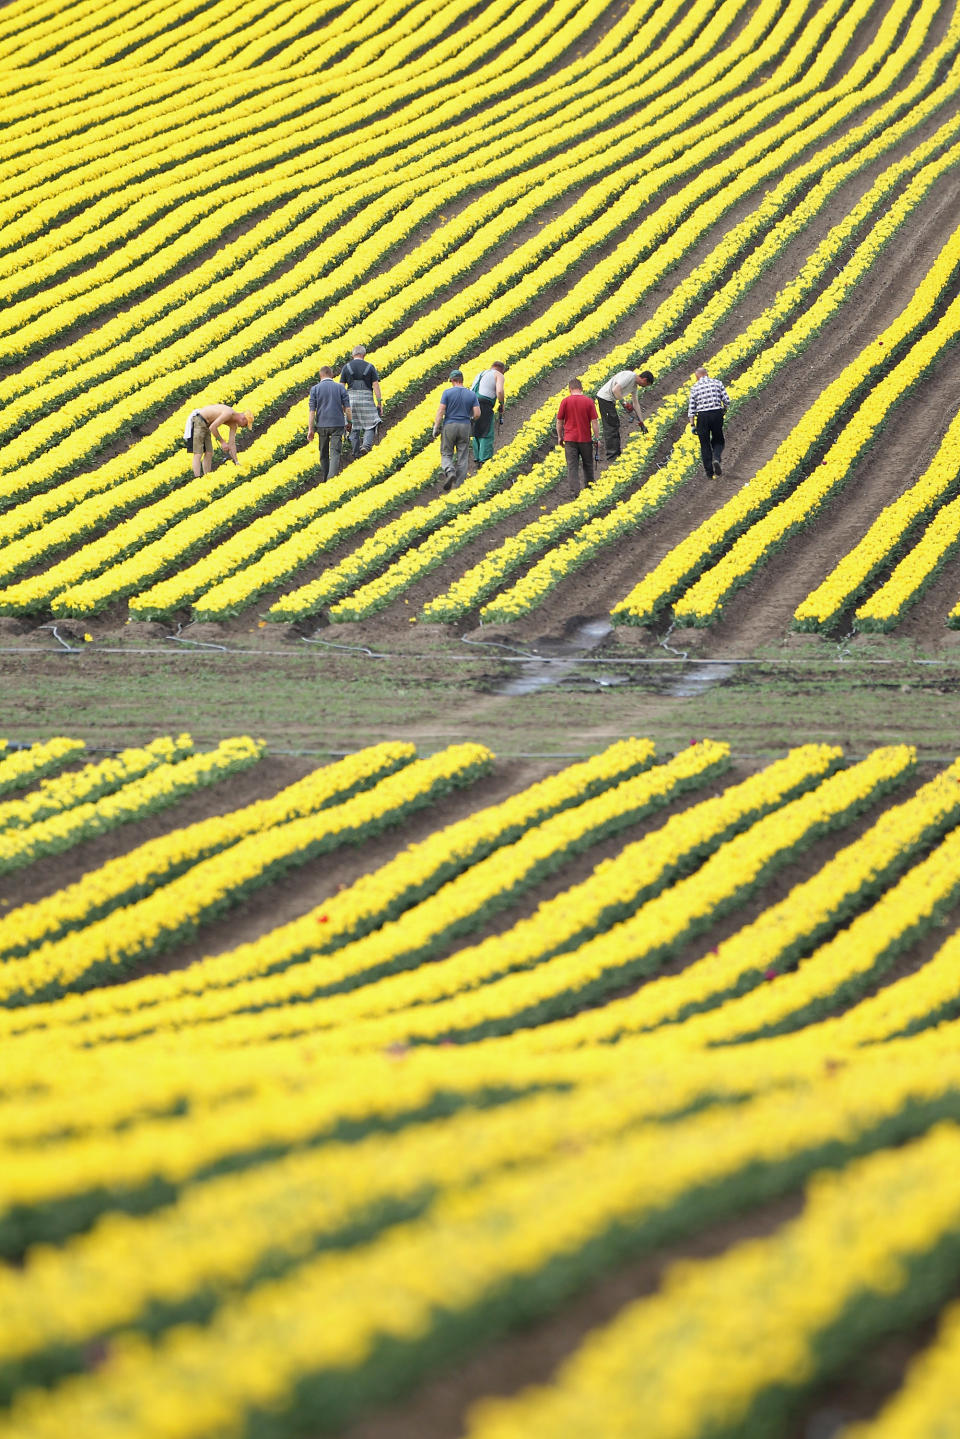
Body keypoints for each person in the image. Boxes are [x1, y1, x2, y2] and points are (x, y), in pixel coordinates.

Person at [433, 369, 480, 491]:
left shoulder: (447, 393)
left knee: (446, 453)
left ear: (453, 380)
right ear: (462, 380)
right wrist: (470, 419)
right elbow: (477, 413)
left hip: (450, 425)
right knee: (463, 455)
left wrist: (436, 427)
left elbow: (441, 411)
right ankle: (459, 485)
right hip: (465, 426)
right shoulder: (471, 394)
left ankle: (450, 471)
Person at [595, 367, 654, 461]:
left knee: (615, 424)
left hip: (610, 400)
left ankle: (616, 453)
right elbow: (615, 390)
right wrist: (624, 403)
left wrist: (641, 422)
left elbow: (636, 404)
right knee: (611, 426)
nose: (645, 387)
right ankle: (612, 455)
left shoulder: (634, 386)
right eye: (646, 385)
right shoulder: (630, 376)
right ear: (644, 380)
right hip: (605, 398)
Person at [307, 366, 351, 482]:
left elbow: (312, 411)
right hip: (337, 424)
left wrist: (310, 429)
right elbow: (347, 408)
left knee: (323, 453)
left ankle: (326, 478)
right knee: (335, 452)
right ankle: (331, 479)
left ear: (320, 375)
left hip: (322, 425)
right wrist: (349, 422)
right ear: (332, 375)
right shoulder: (340, 388)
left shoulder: (315, 389)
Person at [556, 378, 600, 494]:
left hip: (570, 439)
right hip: (585, 439)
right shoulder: (589, 401)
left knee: (572, 466)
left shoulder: (565, 401)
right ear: (581, 389)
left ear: (570, 389)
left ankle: (575, 491)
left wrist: (560, 437)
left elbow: (559, 421)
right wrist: (597, 437)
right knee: (588, 464)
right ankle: (589, 488)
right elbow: (594, 421)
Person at [339, 344, 383, 458]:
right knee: (371, 423)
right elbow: (376, 385)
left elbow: (341, 387)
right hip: (366, 399)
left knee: (353, 425)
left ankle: (355, 452)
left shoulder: (346, 367)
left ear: (353, 355)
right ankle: (366, 446)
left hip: (351, 400)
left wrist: (342, 404)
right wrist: (379, 402)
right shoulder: (370, 367)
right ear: (364, 355)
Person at [187, 404, 253, 477]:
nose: (244, 427)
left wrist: (236, 461)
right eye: (246, 424)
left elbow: (232, 443)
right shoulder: (228, 413)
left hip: (207, 425)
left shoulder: (233, 425)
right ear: (243, 419)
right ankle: (197, 477)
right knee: (198, 453)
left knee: (209, 452)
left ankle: (207, 477)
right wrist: (222, 442)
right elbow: (213, 427)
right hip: (199, 420)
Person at [688, 366, 730, 478]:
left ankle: (709, 472)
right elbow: (726, 400)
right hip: (716, 413)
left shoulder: (695, 387)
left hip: (702, 416)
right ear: (707, 374)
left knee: (704, 444)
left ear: (697, 377)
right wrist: (723, 411)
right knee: (718, 439)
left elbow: (692, 409)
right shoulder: (717, 383)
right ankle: (716, 458)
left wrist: (692, 425)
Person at [469, 360, 506, 468]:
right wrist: (502, 403)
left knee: (476, 431)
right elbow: (499, 391)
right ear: (501, 370)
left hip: (471, 404)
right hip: (483, 404)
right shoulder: (498, 374)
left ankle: (477, 458)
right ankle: (484, 461)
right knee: (486, 432)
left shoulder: (481, 373)